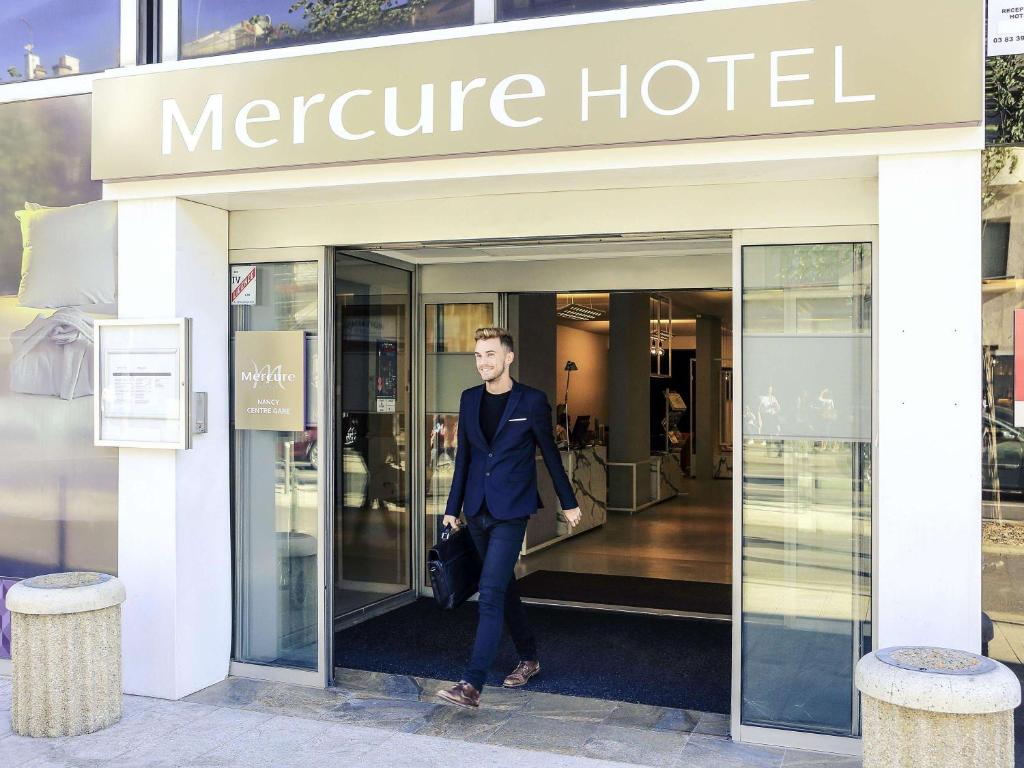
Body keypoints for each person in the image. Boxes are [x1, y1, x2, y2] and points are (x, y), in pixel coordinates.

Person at [436, 327, 582, 709]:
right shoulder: (469, 400)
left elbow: (550, 454)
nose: (483, 362)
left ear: (508, 358)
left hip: (511, 511)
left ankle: (471, 684)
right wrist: (452, 509)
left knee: (490, 594)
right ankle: (529, 657)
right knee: (503, 586)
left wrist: (568, 502)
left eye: (490, 355)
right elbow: (464, 458)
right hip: (476, 509)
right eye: (478, 355)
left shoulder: (531, 401)